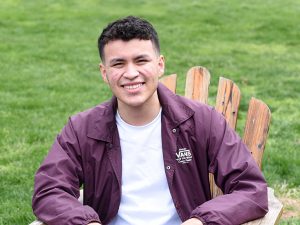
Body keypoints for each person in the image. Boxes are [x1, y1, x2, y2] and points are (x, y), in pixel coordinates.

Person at [32, 16, 268, 225]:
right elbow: (49, 191)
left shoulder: (201, 121)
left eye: (141, 60)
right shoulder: (82, 129)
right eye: (118, 63)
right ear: (105, 73)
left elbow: (251, 189)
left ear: (160, 65)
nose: (131, 73)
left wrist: (200, 220)